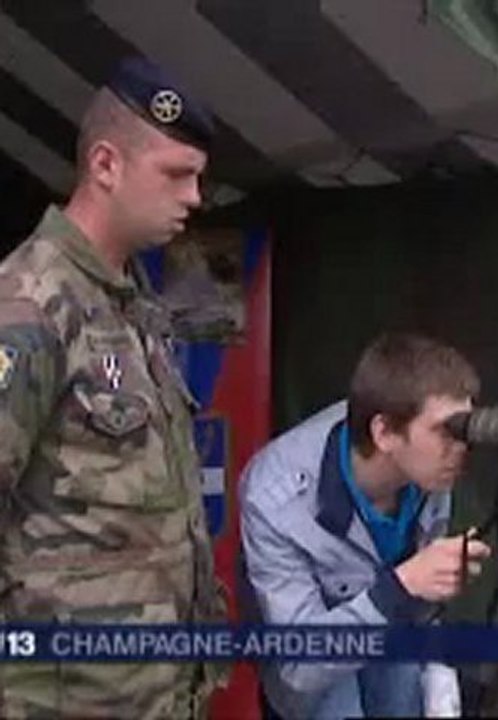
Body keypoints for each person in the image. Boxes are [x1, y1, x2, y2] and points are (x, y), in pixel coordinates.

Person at [0, 57, 224, 717]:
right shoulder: (29, 305)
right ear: (106, 165)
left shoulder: (129, 307)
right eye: (177, 174)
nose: (194, 198)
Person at [240, 332, 492, 719]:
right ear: (385, 433)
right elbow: (299, 669)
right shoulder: (275, 497)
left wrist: (439, 674)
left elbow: (422, 609)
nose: (460, 448)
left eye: (464, 429)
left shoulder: (429, 471)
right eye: (446, 431)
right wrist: (401, 586)